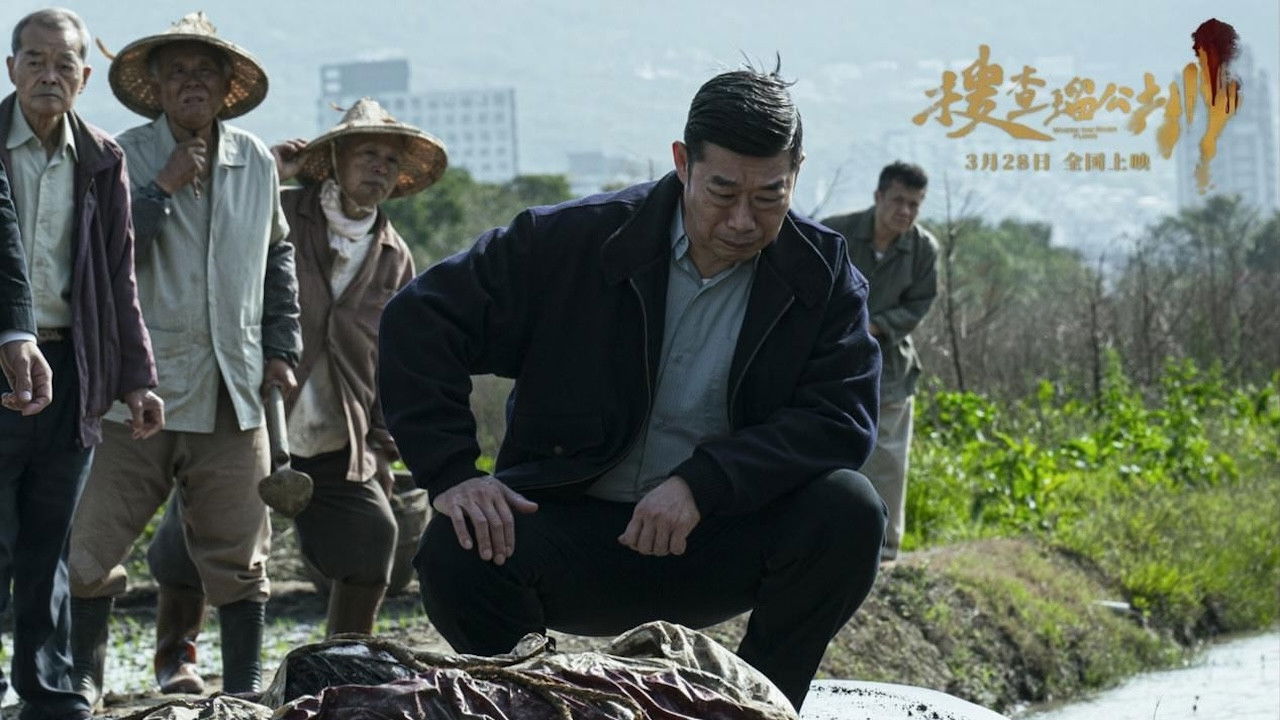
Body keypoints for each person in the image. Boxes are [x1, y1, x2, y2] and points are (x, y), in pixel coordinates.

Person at [379, 65, 887, 710]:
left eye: (769, 196)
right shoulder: (570, 242)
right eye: (723, 191)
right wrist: (453, 472)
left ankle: (760, 709)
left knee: (849, 511)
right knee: (458, 547)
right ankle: (538, 700)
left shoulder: (821, 273)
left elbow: (841, 416)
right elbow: (419, 320)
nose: (742, 220)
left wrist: (706, 482)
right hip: (570, 530)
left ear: (797, 173)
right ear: (683, 163)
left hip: (718, 536)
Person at [66, 11, 301, 701]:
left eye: (205, 72)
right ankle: (83, 685)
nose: (191, 83)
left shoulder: (255, 161)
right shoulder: (118, 155)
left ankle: (246, 690)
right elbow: (98, 258)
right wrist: (161, 189)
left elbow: (278, 254)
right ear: (159, 88)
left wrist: (282, 347)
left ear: (228, 88)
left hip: (234, 388)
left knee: (241, 554)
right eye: (177, 73)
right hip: (134, 392)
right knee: (88, 547)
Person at [147, 98, 445, 637]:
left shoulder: (393, 255)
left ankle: (344, 655)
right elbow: (210, 235)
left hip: (337, 433)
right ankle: (177, 656)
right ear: (335, 160)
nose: (379, 168)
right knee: (193, 537)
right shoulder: (281, 210)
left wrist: (381, 443)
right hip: (251, 413)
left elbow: (396, 357)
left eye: (389, 160)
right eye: (367, 154)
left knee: (372, 538)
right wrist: (267, 176)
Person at [1, 8, 162, 719]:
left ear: (84, 77)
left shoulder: (101, 158)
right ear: (11, 68)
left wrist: (137, 378)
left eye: (63, 63)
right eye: (34, 60)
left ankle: (48, 691)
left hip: (72, 366)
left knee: (50, 540)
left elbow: (120, 275)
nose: (48, 75)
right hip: (0, 360)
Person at [821, 162, 938, 562]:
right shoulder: (836, 232)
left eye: (914, 204)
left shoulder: (923, 249)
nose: (905, 211)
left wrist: (876, 326)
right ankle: (826, 537)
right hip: (832, 358)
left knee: (887, 455)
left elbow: (919, 304)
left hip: (890, 365)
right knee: (827, 446)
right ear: (878, 197)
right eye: (898, 201)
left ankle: (884, 546)